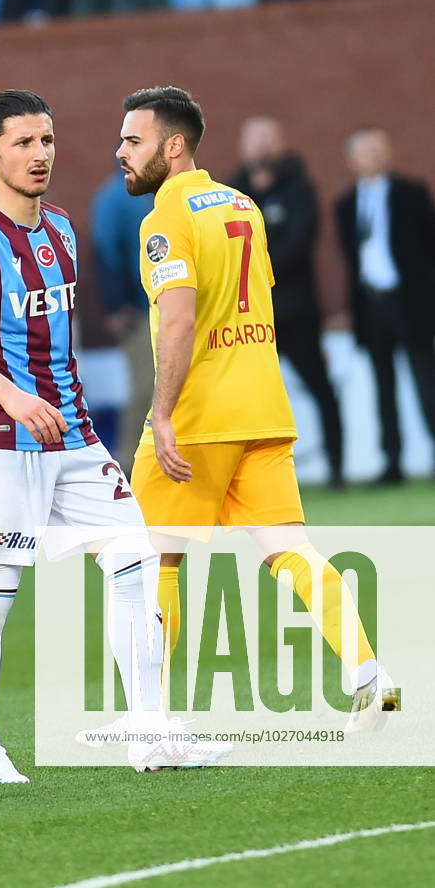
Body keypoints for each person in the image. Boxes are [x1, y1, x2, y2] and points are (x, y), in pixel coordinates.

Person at [0, 90, 212, 782]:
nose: (39, 155)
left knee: (134, 566)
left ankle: (149, 733)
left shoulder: (60, 229)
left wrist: (53, 406)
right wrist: (10, 395)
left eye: (47, 141)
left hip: (75, 439)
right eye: (22, 143)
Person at [117, 86, 397, 730]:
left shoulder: (166, 219)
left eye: (134, 140)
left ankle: (151, 718)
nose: (121, 153)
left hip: (198, 418)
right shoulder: (241, 204)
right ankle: (369, 676)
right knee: (291, 551)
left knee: (154, 557)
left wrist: (161, 414)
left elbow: (180, 321)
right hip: (262, 410)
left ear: (174, 145)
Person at [228, 117, 343, 486]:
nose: (261, 146)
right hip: (250, 316)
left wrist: (255, 265)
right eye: (254, 139)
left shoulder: (300, 187)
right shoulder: (232, 193)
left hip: (297, 312)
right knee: (248, 397)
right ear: (243, 146)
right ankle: (248, 478)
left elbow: (298, 243)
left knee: (320, 388)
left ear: (280, 143)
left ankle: (337, 469)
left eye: (268, 138)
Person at [336, 127, 435, 484]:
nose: (375, 156)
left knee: (426, 380)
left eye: (380, 148)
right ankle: (392, 461)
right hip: (372, 305)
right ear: (351, 160)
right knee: (383, 386)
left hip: (409, 303)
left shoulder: (412, 193)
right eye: (366, 150)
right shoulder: (346, 205)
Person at [91, 167, 153, 473]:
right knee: (147, 388)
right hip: (139, 312)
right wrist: (117, 305)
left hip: (164, 307)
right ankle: (128, 466)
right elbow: (104, 252)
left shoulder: (155, 193)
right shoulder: (116, 197)